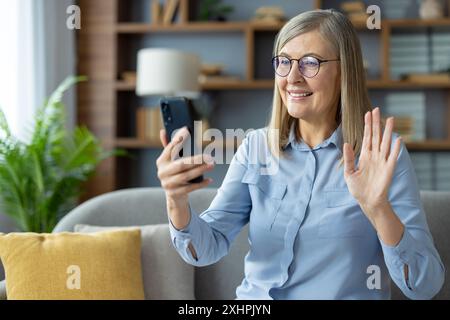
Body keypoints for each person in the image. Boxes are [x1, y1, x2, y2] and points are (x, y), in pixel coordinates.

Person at [156, 9, 445, 299]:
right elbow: (208, 246)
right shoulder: (256, 148)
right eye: (283, 62)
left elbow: (424, 286)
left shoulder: (381, 154)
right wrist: (176, 202)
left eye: (310, 63)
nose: (292, 77)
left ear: (345, 71)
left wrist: (378, 209)